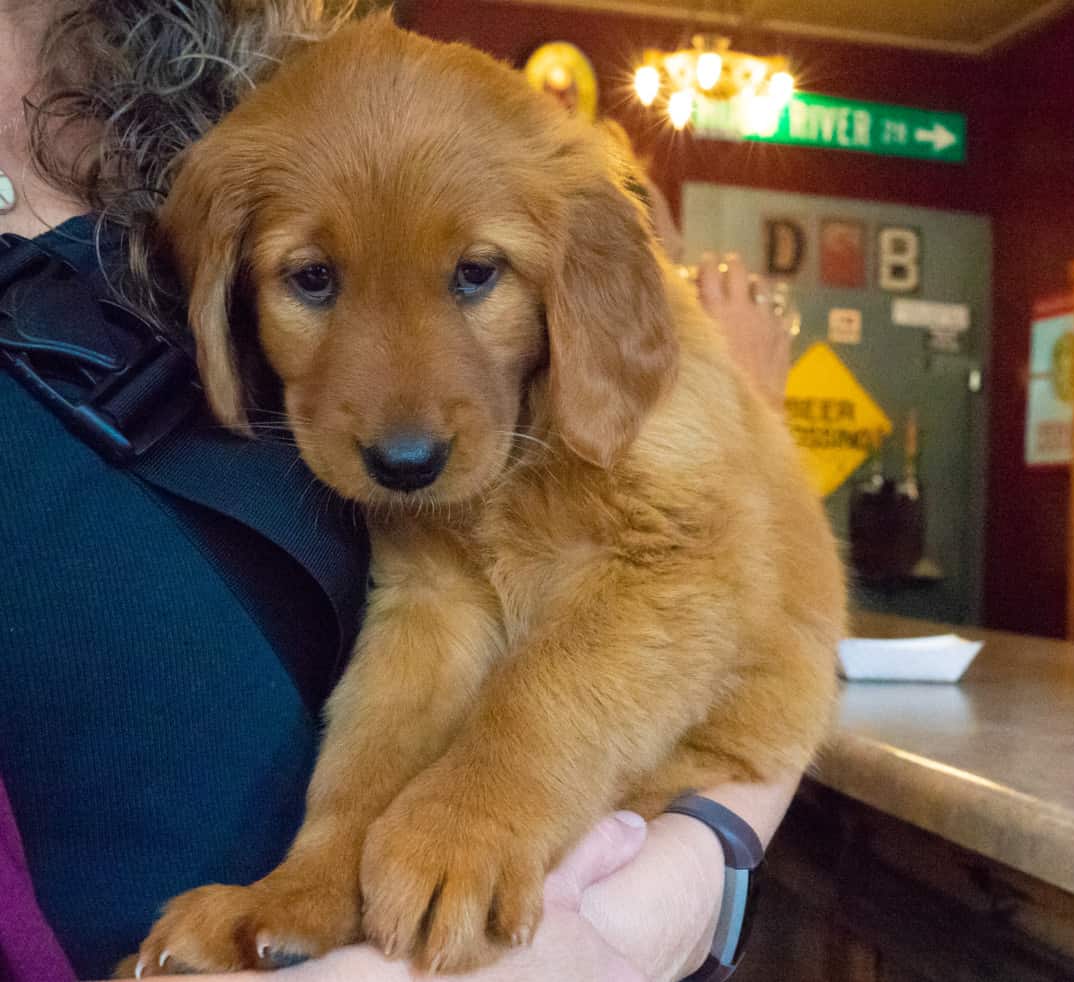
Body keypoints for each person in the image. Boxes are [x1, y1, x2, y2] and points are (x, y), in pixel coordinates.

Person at [0, 2, 802, 980]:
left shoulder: (260, 98)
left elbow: (720, 592)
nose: (404, 423)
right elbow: (429, 612)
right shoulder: (259, 170)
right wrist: (335, 871)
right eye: (310, 280)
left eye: (475, 274)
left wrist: (691, 873)